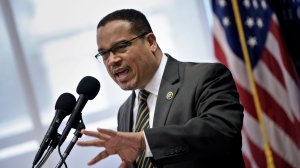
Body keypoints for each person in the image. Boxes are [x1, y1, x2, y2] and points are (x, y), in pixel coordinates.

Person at [77, 9, 245, 168]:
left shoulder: (205, 77)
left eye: (121, 46)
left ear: (151, 42)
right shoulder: (125, 110)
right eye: (104, 54)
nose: (112, 60)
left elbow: (222, 131)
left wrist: (145, 141)